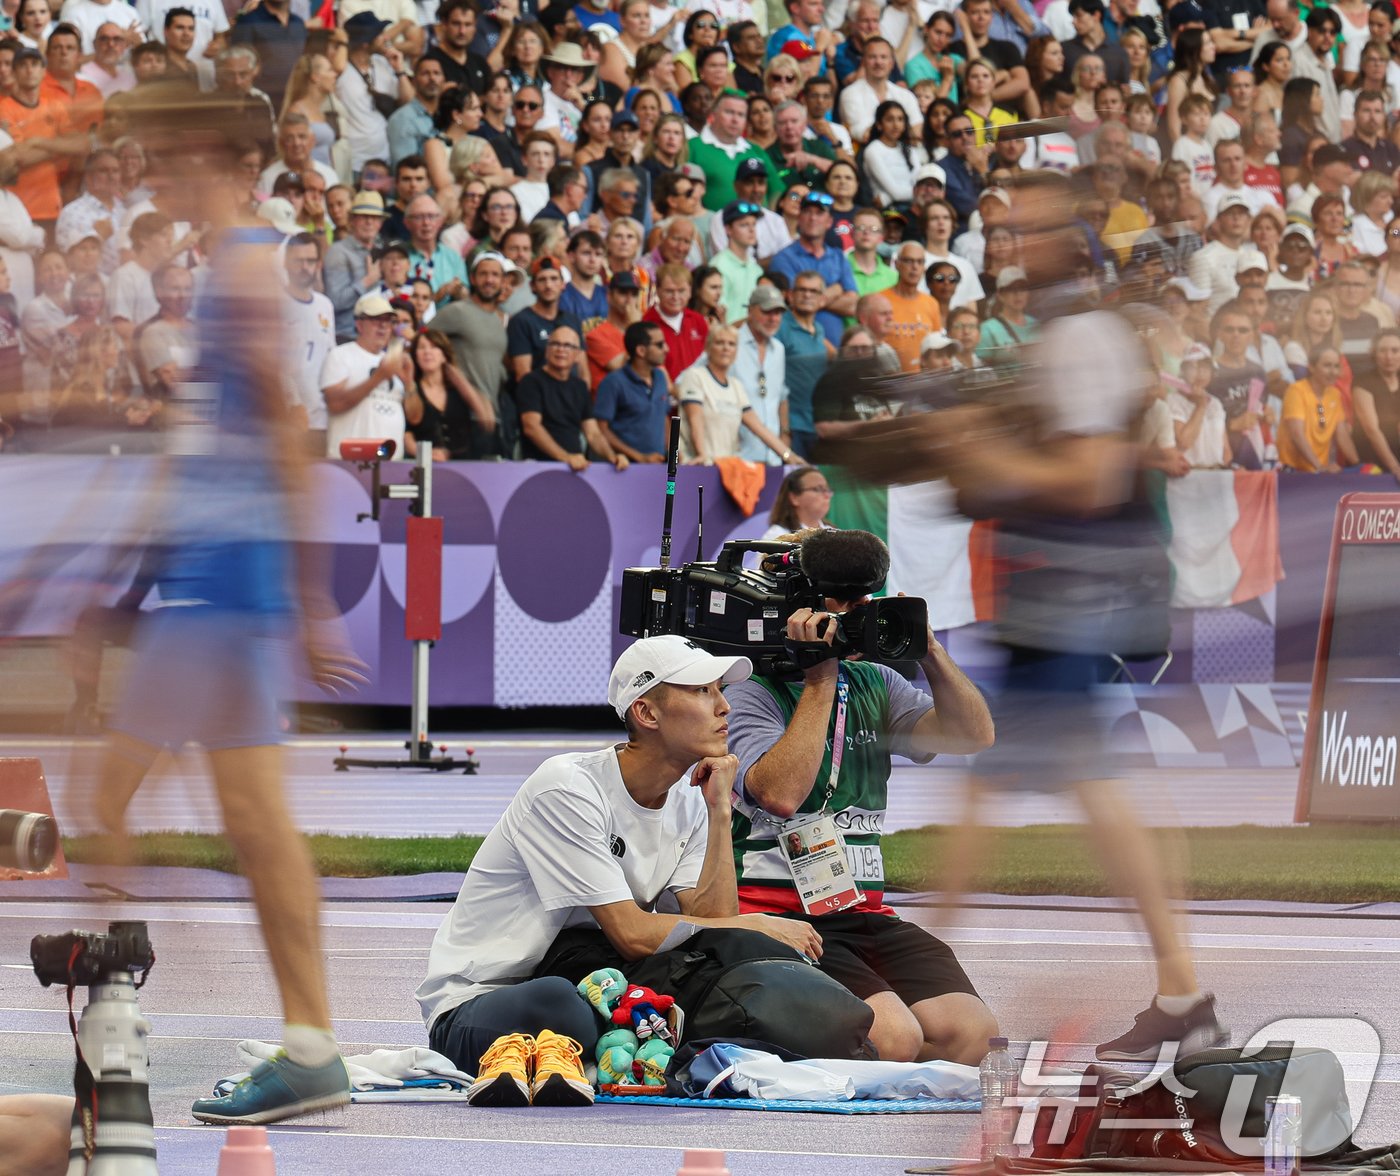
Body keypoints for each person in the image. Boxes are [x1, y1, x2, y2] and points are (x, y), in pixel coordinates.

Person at [833, 170, 1230, 1065]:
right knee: (1054, 783)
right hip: (1061, 581)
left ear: (1074, 243)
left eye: (1036, 230)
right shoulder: (1058, 342)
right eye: (1011, 231)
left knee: (1041, 782)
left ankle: (917, 975)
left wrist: (978, 454)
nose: (1016, 244)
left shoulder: (1085, 341)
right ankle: (1179, 992)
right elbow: (1012, 476)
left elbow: (1087, 481)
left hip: (1077, 581)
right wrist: (955, 452)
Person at [83, 85, 366, 1125]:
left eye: (164, 150)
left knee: (124, 807)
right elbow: (211, 443)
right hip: (208, 580)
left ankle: (122, 1039)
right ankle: (300, 1040)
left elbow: (291, 429)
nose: (152, 168)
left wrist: (311, 602)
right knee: (243, 823)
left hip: (227, 586)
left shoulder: (244, 268)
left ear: (213, 152)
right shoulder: (225, 267)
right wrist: (122, 569)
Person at [416, 633, 822, 1092]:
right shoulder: (568, 788)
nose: (724, 707)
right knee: (565, 1006)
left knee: (691, 991)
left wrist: (720, 812)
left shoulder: (690, 802)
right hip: (485, 1000)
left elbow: (714, 923)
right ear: (647, 713)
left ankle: (598, 1056)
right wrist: (757, 924)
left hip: (594, 982)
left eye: (720, 690)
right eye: (702, 691)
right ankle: (565, 1053)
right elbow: (631, 934)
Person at [721, 527, 997, 1063]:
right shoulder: (749, 692)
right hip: (778, 913)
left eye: (865, 598)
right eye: (842, 599)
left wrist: (928, 649)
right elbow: (779, 795)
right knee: (893, 1040)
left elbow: (974, 736)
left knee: (970, 1035)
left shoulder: (875, 682)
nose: (856, 611)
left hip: (861, 909)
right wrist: (819, 679)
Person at [516, 323, 628, 470]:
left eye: (568, 346)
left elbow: (593, 433)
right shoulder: (531, 381)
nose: (561, 350)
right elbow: (531, 427)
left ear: (577, 355)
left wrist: (612, 457)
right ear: (546, 350)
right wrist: (565, 457)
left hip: (575, 469)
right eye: (555, 344)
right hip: (538, 468)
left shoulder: (580, 387)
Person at [676, 323, 791, 464]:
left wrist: (788, 456)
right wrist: (702, 456)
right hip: (698, 466)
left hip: (726, 468)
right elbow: (695, 418)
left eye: (731, 344)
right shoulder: (695, 376)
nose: (726, 348)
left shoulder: (735, 385)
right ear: (708, 348)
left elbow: (758, 427)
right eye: (719, 343)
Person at [432, 251, 510, 457]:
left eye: (495, 275)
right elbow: (422, 343)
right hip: (460, 416)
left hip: (491, 417)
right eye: (483, 274)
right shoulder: (456, 311)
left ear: (503, 281)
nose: (489, 280)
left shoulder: (499, 322)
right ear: (473, 279)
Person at [321, 291, 412, 459]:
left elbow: (414, 417)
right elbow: (334, 403)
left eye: (388, 321)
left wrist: (410, 382)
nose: (384, 326)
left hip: (390, 465)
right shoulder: (340, 355)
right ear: (359, 324)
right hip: (350, 463)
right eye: (376, 320)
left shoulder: (393, 362)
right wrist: (378, 378)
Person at [768, 192, 858, 346]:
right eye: (807, 212)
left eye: (819, 213)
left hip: (837, 349)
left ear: (829, 222)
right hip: (798, 349)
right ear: (799, 218)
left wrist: (813, 299)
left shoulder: (838, 257)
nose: (813, 218)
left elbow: (852, 306)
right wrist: (835, 290)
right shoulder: (784, 258)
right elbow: (794, 301)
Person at [404, 326, 494, 461]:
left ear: (444, 355)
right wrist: (426, 454)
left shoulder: (459, 389)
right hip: (426, 465)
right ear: (415, 356)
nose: (427, 352)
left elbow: (487, 419)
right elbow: (407, 433)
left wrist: (459, 380)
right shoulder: (411, 389)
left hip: (463, 463)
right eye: (422, 347)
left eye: (434, 347)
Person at [593, 319, 671, 463]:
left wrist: (671, 455)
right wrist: (639, 457)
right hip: (623, 470)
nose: (666, 349)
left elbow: (664, 417)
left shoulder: (660, 378)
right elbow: (600, 429)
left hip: (658, 468)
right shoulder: (613, 382)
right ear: (641, 351)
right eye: (659, 345)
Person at [733, 285, 791, 465]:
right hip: (737, 456)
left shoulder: (778, 349)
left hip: (773, 457)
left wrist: (785, 434)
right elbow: (686, 381)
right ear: (750, 311)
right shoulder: (729, 342)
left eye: (778, 313)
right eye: (767, 312)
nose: (773, 319)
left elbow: (781, 395)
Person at [1278, 346, 1359, 471]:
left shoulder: (1334, 394)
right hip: (1293, 471)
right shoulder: (1296, 391)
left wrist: (1357, 465)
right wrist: (1319, 467)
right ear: (1311, 367)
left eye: (1336, 366)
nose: (1333, 372)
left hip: (1319, 470)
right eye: (1327, 366)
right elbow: (1297, 433)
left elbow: (1342, 435)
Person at [323, 189, 388, 342]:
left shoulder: (384, 249)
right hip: (348, 336)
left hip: (380, 334)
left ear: (381, 223)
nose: (369, 222)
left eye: (375, 217)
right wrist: (368, 281)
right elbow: (334, 301)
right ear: (352, 220)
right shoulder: (338, 252)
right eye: (364, 217)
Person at [507, 256, 584, 383]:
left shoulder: (573, 320)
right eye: (542, 280)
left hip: (571, 397)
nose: (548, 285)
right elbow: (523, 376)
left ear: (563, 284)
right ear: (532, 286)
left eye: (554, 279)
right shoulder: (521, 321)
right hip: (537, 398)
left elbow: (583, 371)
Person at [643, 263, 709, 381]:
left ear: (690, 291)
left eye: (681, 291)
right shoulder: (646, 324)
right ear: (657, 291)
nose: (676, 297)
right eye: (669, 291)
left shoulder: (698, 321)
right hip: (664, 394)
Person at [884, 241, 942, 372]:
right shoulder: (880, 301)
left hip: (924, 383)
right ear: (897, 264)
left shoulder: (931, 303)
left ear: (924, 268)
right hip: (889, 383)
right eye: (909, 261)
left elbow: (935, 346)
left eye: (920, 262)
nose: (914, 267)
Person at [1353, 327, 1400, 476]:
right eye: (1383, 351)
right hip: (1373, 462)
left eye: (1395, 350)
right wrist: (1395, 467)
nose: (1389, 357)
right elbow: (1371, 430)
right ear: (1374, 353)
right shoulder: (1363, 382)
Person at [585, 269, 643, 391]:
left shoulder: (647, 331)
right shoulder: (595, 336)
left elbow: (658, 371)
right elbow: (628, 369)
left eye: (634, 294)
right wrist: (635, 327)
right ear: (609, 297)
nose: (629, 300)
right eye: (623, 293)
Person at [762, 464, 834, 539]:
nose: (827, 495)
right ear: (794, 498)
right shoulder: (777, 535)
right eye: (818, 489)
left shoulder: (834, 534)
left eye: (827, 489)